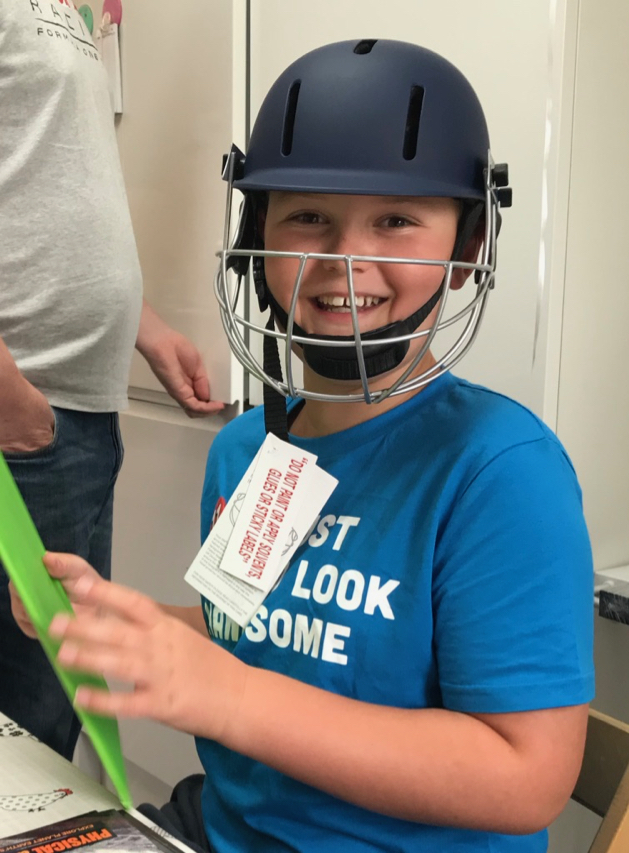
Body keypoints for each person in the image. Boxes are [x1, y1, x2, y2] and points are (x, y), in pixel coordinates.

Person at [13, 39, 594, 852]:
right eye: (309, 217)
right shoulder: (251, 449)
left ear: (467, 250)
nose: (345, 260)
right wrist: (123, 625)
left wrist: (231, 699)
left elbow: (526, 776)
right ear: (256, 236)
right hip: (223, 828)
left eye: (396, 220)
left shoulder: (501, 472)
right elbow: (246, 632)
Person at [0, 0, 223, 762]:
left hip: (73, 420)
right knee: (29, 725)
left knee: (56, 710)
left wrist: (144, 327)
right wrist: (18, 413)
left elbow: (51, 184)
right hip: (26, 420)